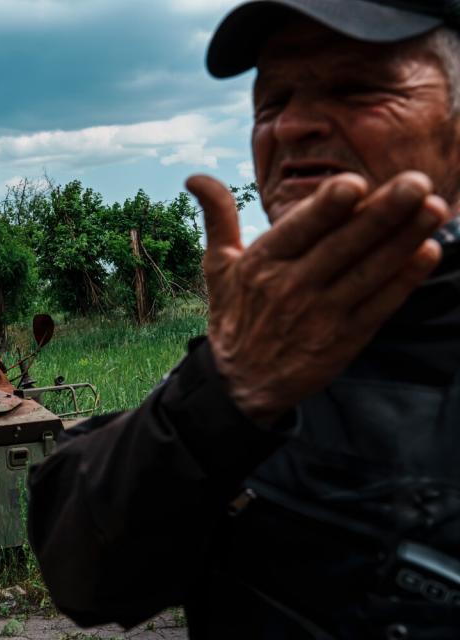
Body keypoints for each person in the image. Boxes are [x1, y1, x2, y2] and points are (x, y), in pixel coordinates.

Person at [27, 1, 460, 637]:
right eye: (271, 100)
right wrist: (227, 389)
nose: (293, 125)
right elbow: (86, 580)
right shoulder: (236, 357)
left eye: (357, 87)